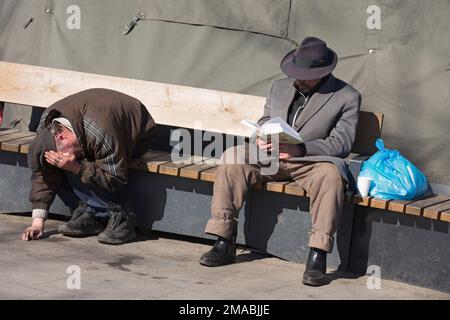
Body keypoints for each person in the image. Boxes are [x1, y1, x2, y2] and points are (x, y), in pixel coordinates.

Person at [199, 37, 362, 286]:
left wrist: (300, 149)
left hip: (311, 160)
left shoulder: (347, 97)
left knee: (331, 177)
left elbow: (341, 144)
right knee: (233, 157)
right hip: (270, 155)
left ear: (323, 72)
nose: (299, 80)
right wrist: (262, 137)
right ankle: (224, 238)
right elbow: (265, 119)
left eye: (306, 76)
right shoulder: (279, 87)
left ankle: (318, 253)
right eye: (296, 73)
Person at [21, 88, 156, 245]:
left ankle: (123, 217)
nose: (59, 158)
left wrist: (76, 167)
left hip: (137, 136)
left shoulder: (100, 132)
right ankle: (93, 213)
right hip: (93, 132)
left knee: (71, 164)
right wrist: (37, 223)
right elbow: (43, 175)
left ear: (60, 136)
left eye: (58, 154)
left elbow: (114, 178)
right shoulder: (47, 123)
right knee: (63, 164)